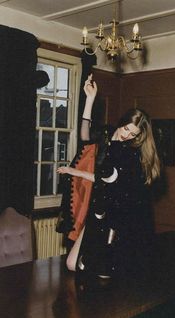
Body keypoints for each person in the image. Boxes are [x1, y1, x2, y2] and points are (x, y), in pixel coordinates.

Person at [57, 74, 161, 278]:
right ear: (121, 123)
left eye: (133, 134)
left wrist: (73, 171)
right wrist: (89, 100)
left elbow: (107, 180)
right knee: (72, 263)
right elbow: (85, 137)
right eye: (126, 129)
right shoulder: (106, 136)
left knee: (105, 269)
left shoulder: (128, 152)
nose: (127, 136)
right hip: (98, 206)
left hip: (116, 213)